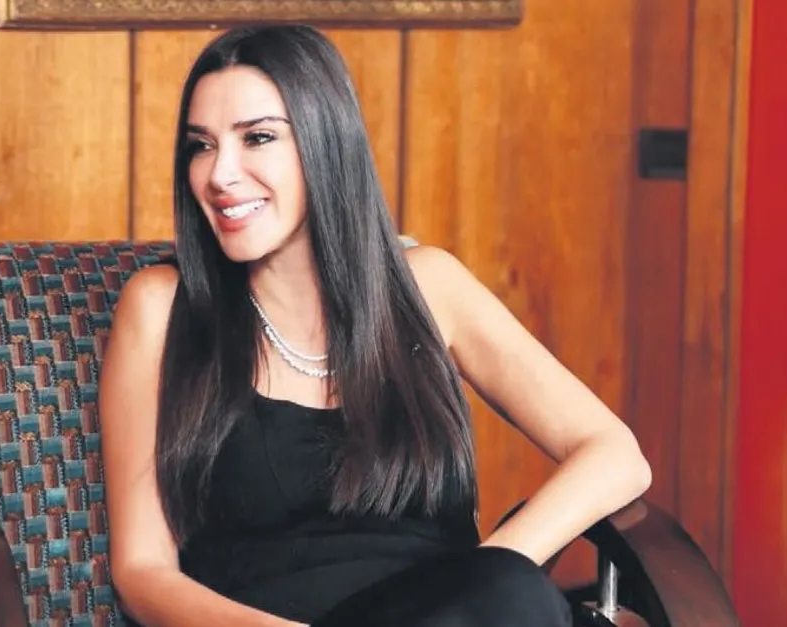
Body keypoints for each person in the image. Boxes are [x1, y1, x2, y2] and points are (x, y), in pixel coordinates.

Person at [97, 24, 652, 627]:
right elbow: (142, 572)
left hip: (469, 612)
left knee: (517, 592)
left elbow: (614, 454)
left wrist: (488, 574)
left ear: (327, 141)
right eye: (201, 146)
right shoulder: (162, 307)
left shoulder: (429, 287)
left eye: (257, 137)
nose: (219, 174)